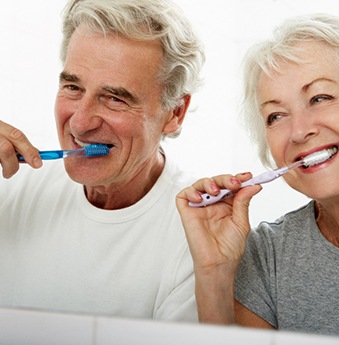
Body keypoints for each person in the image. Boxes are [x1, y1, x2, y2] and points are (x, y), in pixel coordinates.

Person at [176, 13, 339, 337]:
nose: (298, 131)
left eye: (319, 98)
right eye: (276, 116)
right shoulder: (265, 254)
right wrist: (214, 273)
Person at [0, 0, 204, 321]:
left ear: (174, 112)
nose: (80, 123)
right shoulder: (12, 185)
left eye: (115, 98)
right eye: (72, 86)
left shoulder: (198, 236)